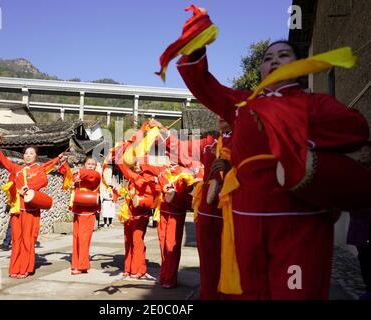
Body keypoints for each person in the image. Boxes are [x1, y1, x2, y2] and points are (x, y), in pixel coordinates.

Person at [175, 33, 369, 299]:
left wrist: (295, 137)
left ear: (300, 67)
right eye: (268, 58)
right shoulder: (243, 104)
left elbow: (355, 128)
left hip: (299, 222)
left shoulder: (315, 103)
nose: (275, 60)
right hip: (247, 221)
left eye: (283, 55)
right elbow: (206, 86)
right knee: (250, 293)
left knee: (294, 291)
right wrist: (195, 49)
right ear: (262, 69)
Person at [155, 117, 233, 298]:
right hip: (207, 207)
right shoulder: (209, 142)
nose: (221, 116)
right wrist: (162, 131)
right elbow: (183, 147)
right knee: (207, 259)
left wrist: (230, 168)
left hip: (233, 207)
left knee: (231, 258)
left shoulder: (245, 138)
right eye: (218, 113)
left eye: (226, 112)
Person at [0, 137, 62, 279]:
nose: (28, 155)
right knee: (16, 239)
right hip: (17, 209)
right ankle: (14, 268)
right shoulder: (17, 169)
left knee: (27, 239)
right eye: (26, 153)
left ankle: (25, 268)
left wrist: (28, 188)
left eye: (31, 153)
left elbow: (43, 180)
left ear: (36, 156)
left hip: (31, 210)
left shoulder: (39, 170)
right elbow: (4, 161)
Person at [140, 159, 195, 289]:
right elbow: (148, 169)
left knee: (172, 246)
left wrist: (171, 186)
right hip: (163, 210)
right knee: (163, 244)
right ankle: (164, 274)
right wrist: (138, 158)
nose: (172, 155)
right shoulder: (164, 169)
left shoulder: (185, 171)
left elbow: (188, 187)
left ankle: (171, 278)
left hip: (176, 212)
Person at [117, 159, 161, 279]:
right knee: (128, 241)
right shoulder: (131, 179)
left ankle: (139, 269)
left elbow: (154, 194)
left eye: (139, 163)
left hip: (140, 215)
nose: (137, 166)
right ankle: (128, 268)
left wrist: (117, 157)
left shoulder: (147, 178)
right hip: (129, 214)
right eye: (134, 163)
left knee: (137, 241)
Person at [58, 156, 101, 275]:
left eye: (93, 164)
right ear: (84, 164)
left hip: (88, 211)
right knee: (76, 238)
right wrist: (64, 163)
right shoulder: (80, 175)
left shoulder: (96, 175)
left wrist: (78, 171)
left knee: (84, 239)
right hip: (78, 209)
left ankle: (82, 265)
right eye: (88, 164)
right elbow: (68, 175)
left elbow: (87, 175)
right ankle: (76, 263)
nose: (91, 166)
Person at [347, 141, 371, 300]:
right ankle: (368, 287)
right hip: (358, 219)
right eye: (361, 150)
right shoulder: (355, 169)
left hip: (369, 218)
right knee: (363, 254)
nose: (363, 153)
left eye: (367, 150)